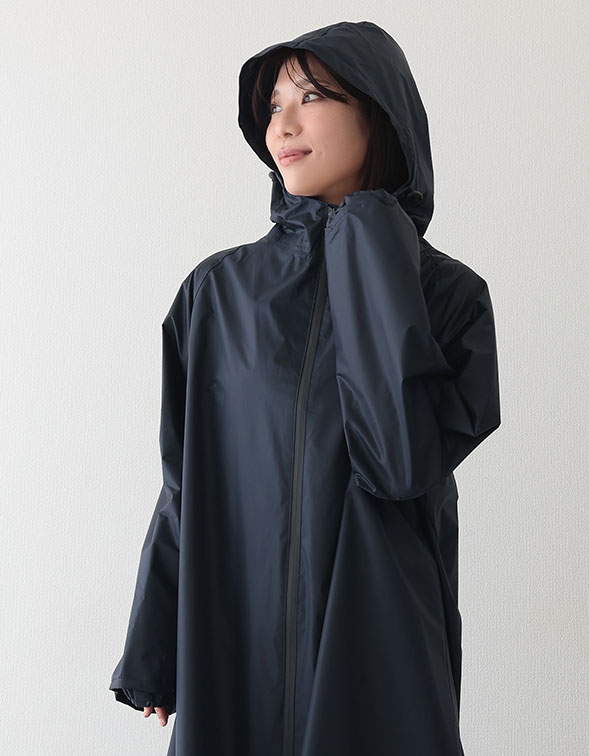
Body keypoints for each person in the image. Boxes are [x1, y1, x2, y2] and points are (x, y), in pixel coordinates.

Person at [109, 20, 501, 756]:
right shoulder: (217, 293)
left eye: (312, 97)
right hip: (236, 642)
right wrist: (155, 646)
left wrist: (372, 241)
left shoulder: (449, 298)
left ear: (378, 113)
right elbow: (184, 480)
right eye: (272, 107)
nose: (281, 126)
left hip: (379, 650)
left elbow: (397, 460)